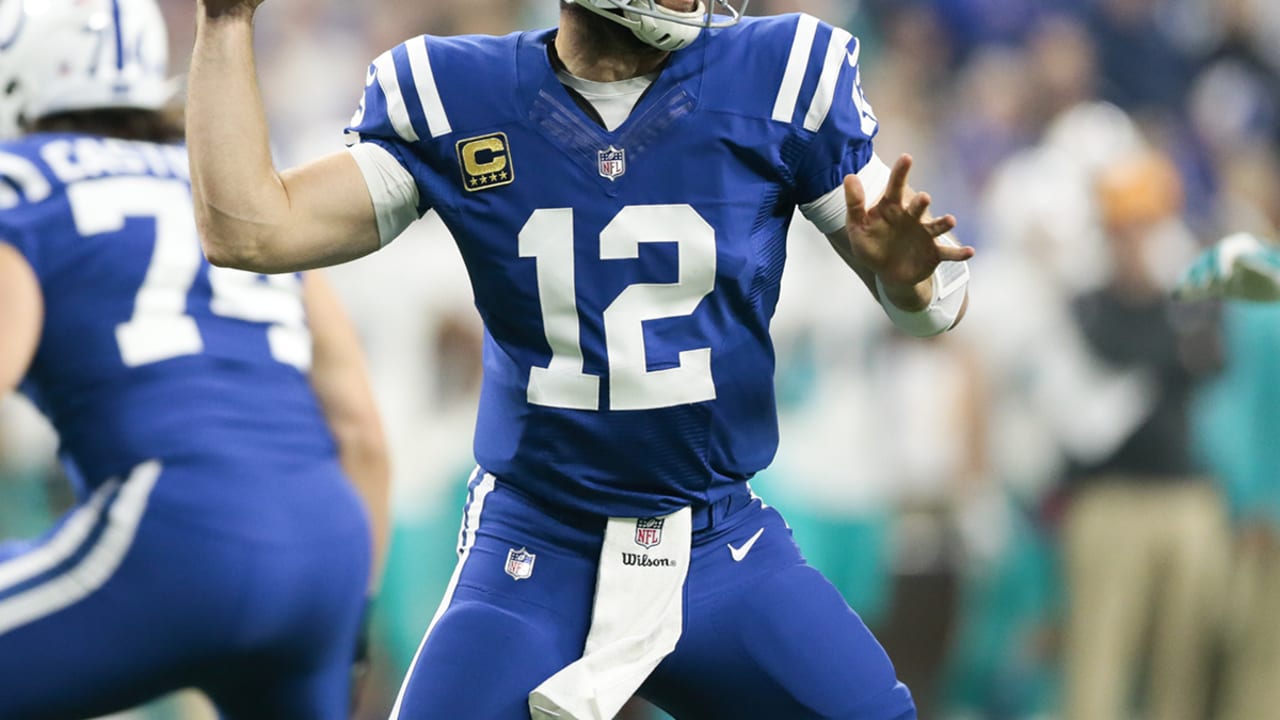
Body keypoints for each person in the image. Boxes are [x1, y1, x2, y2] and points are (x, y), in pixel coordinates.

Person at [187, 0, 973, 717]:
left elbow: (936, 304)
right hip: (534, 549)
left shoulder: (776, 74)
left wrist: (905, 279)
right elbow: (252, 231)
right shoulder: (459, 93)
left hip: (716, 542)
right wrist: (224, 22)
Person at [0, 0, 390, 717]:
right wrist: (352, 622)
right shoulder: (228, 191)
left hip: (177, 529)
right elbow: (360, 429)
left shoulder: (21, 182)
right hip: (326, 554)